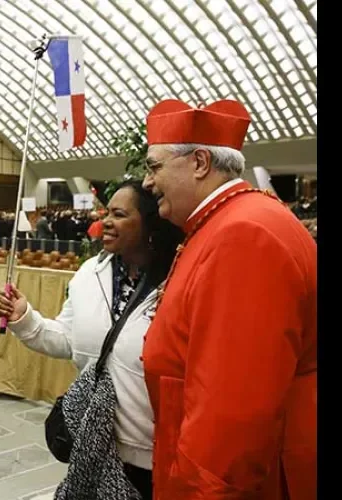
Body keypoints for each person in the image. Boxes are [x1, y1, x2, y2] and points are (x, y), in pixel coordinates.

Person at [140, 99, 317, 499]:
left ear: (200, 162)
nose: (147, 183)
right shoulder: (229, 222)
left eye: (154, 167)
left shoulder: (244, 237)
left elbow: (230, 420)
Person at [0, 180, 183, 500]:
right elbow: (68, 341)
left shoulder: (181, 280)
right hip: (95, 442)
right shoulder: (88, 274)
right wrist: (25, 318)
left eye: (120, 214)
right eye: (106, 212)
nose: (106, 221)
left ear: (151, 223)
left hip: (159, 449)